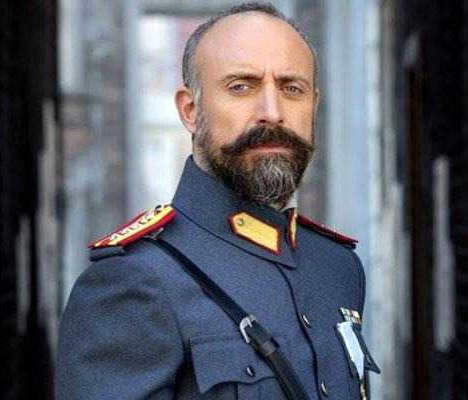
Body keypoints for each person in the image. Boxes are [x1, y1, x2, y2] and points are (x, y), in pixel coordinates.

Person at [56, 2, 379, 399]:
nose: (272, 113)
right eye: (241, 86)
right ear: (190, 111)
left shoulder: (337, 267)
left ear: (313, 105)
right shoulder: (133, 281)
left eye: (291, 88)